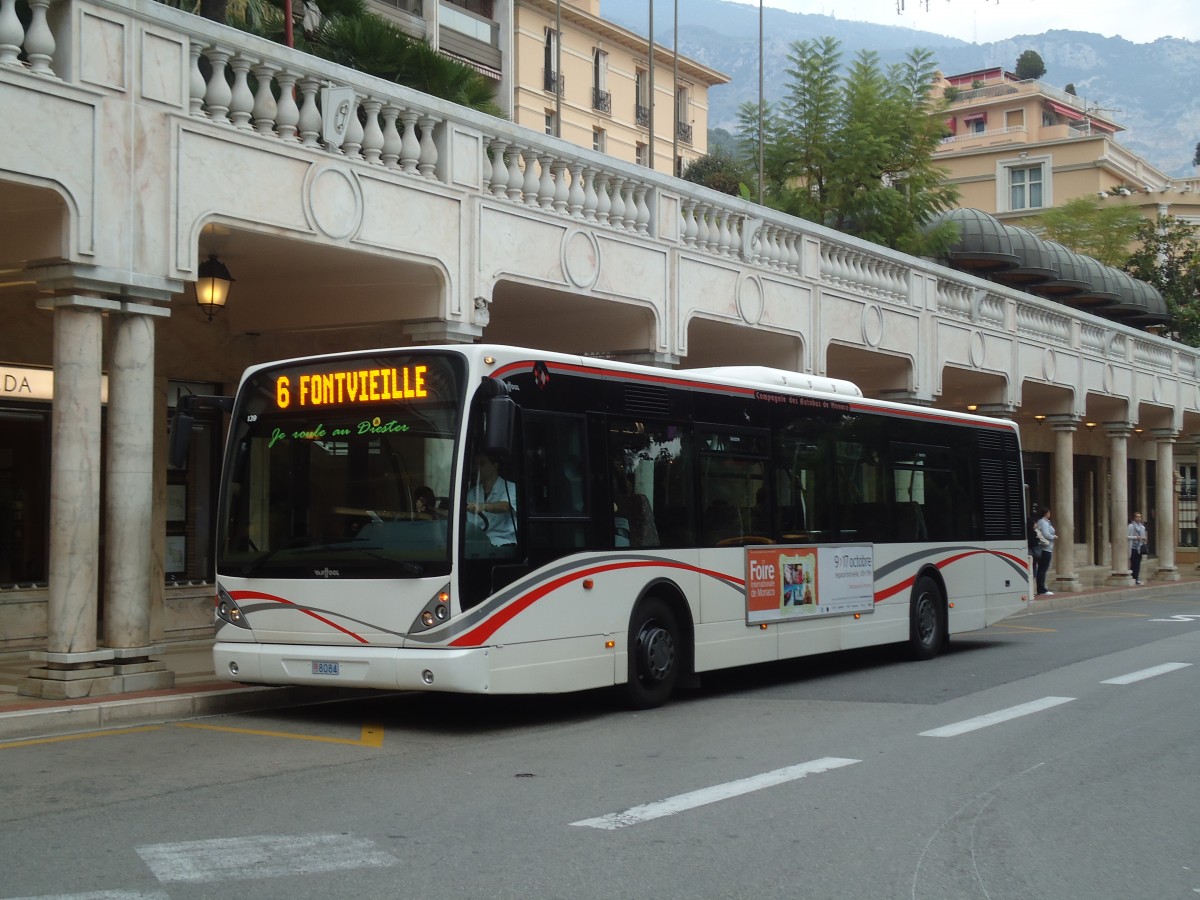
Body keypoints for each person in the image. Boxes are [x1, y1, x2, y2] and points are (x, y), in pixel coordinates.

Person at [466, 453, 518, 546]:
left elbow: (505, 506)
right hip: (479, 542)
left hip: (504, 543)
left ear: (495, 466)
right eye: (475, 464)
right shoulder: (473, 493)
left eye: (482, 464)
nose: (477, 468)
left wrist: (483, 506)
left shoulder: (510, 487)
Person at [1034, 507, 1056, 596]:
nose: (1050, 514)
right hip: (1045, 548)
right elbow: (1046, 534)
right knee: (1043, 569)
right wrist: (1053, 536)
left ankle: (1041, 588)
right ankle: (1041, 589)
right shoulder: (1044, 522)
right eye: (1049, 512)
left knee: (1041, 569)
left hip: (1043, 548)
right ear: (1046, 513)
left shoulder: (1042, 522)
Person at [1128, 511, 1148, 585]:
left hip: (1139, 548)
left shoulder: (1142, 527)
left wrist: (1144, 539)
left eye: (1140, 517)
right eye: (1137, 517)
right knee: (1133, 564)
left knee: (1138, 564)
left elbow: (1143, 536)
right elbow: (1126, 536)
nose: (1139, 518)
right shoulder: (1130, 526)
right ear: (1134, 518)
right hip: (1132, 547)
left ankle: (1136, 578)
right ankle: (1132, 578)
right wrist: (1135, 537)